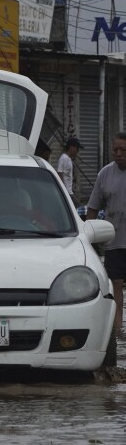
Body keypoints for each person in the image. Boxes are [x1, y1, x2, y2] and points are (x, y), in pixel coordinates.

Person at [87, 133, 126, 341]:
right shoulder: (105, 174)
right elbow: (92, 208)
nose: (118, 154)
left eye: (123, 150)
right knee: (116, 284)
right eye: (115, 150)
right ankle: (118, 327)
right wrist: (89, 238)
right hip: (114, 240)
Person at [58, 137, 81, 205]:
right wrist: (63, 191)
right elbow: (60, 173)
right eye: (77, 148)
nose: (78, 151)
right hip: (67, 192)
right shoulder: (64, 158)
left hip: (69, 191)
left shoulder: (68, 159)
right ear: (71, 147)